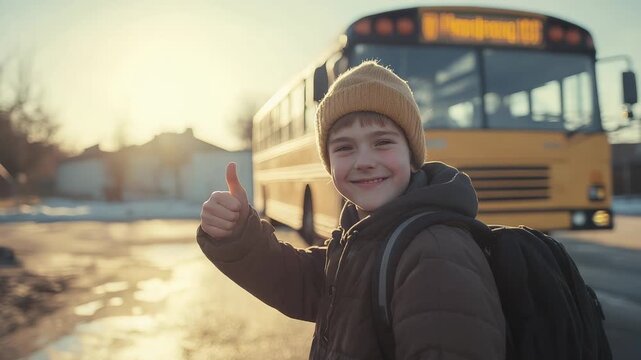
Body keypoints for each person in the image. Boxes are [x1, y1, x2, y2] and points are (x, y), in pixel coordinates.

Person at [197, 61, 505, 359]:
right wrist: (239, 233)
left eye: (382, 142)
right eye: (344, 148)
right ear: (329, 165)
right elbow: (298, 282)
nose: (364, 161)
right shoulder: (364, 239)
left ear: (412, 157)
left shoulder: (435, 255)